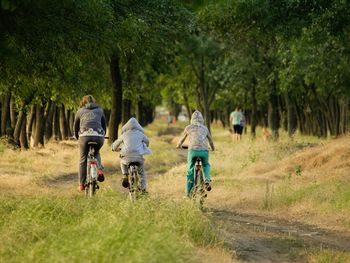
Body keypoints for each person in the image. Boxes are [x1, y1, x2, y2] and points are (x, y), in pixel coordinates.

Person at [176, 110, 215, 197]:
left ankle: (188, 194)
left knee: (190, 170)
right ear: (202, 119)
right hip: (204, 151)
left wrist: (178, 145)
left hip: (192, 151)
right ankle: (207, 180)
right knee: (206, 165)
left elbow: (182, 139)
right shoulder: (205, 128)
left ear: (192, 119)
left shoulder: (188, 128)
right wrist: (213, 148)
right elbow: (211, 141)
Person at [74, 95, 106, 192]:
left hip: (84, 136)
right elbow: (104, 126)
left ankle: (81, 185)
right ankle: (99, 169)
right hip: (98, 136)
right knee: (96, 152)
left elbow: (75, 127)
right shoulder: (100, 111)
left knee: (83, 159)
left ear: (83, 102)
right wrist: (102, 135)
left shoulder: (80, 111)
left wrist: (77, 137)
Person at [111, 117, 151, 193]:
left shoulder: (124, 135)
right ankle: (143, 189)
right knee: (141, 173)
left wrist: (113, 148)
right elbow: (147, 142)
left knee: (122, 161)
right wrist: (145, 145)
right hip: (138, 157)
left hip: (127, 157)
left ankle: (125, 175)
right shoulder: (140, 134)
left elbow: (115, 145)